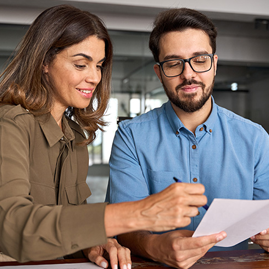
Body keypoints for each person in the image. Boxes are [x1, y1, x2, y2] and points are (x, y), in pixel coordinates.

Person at [0, 5, 218, 267]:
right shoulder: (8, 125)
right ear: (44, 61)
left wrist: (92, 242)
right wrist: (139, 213)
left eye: (99, 66)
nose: (94, 77)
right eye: (81, 64)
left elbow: (66, 227)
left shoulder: (75, 138)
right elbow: (14, 230)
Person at [106, 7, 269, 269]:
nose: (188, 74)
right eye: (173, 63)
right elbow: (122, 226)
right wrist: (155, 247)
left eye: (200, 60)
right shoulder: (131, 137)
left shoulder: (256, 139)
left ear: (214, 64)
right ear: (159, 73)